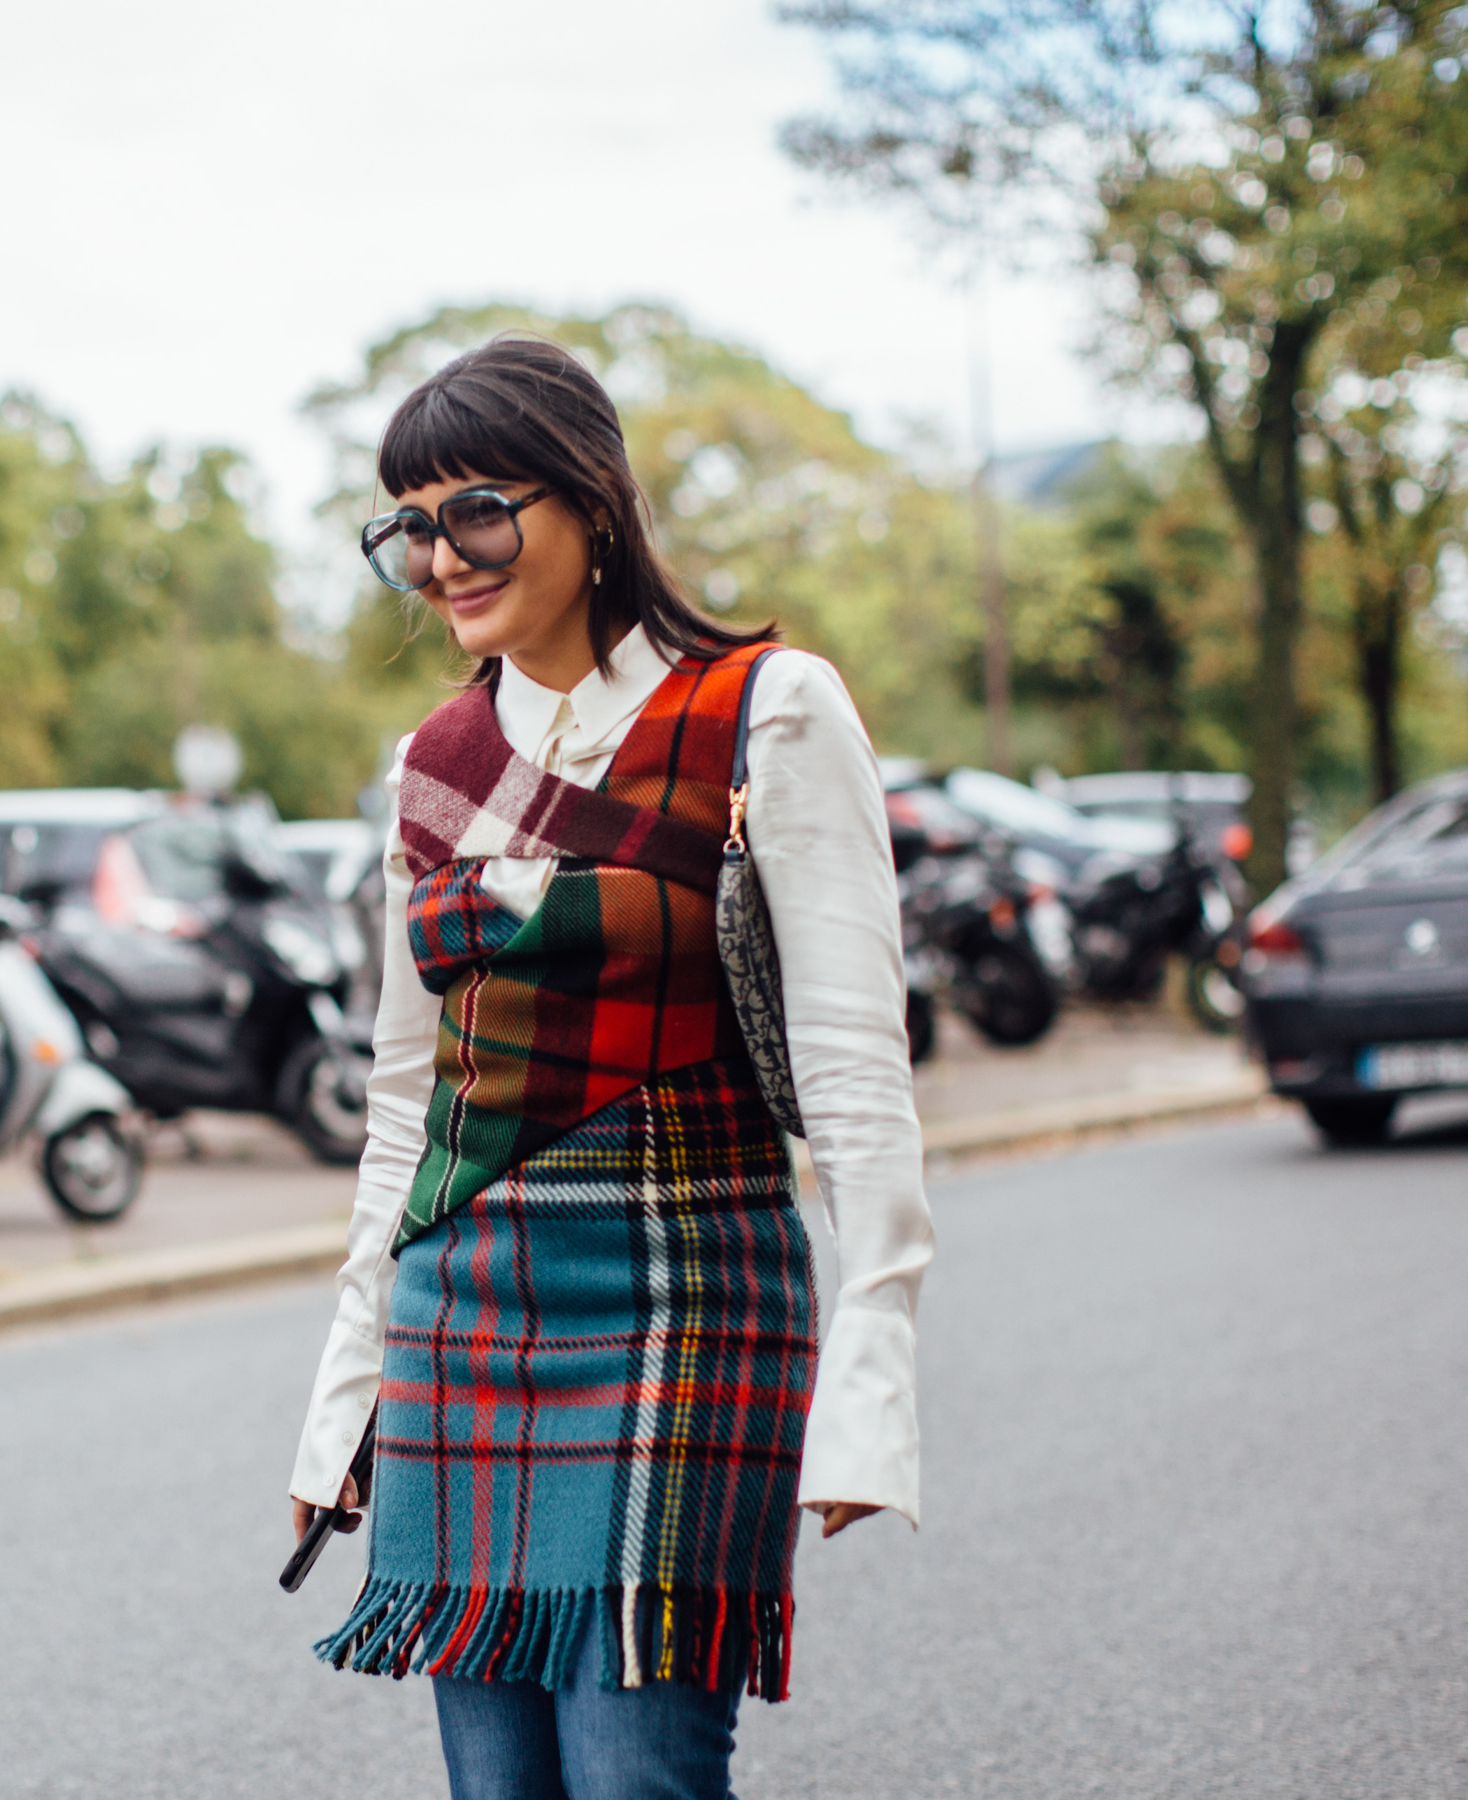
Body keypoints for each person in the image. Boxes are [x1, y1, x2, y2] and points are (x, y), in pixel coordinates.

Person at [287, 335, 933, 1800]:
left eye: (477, 513)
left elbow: (848, 1062)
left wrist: (873, 1374)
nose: (443, 558)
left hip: (688, 1286)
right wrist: (349, 1384)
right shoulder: (434, 761)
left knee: (638, 1777)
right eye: (410, 526)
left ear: (589, 502)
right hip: (467, 1315)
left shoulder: (764, 707)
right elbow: (409, 1096)